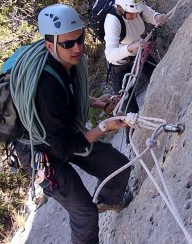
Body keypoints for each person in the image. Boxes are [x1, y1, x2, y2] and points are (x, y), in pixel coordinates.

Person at [19, 4, 131, 243]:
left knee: (118, 166)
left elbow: (65, 95)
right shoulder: (43, 88)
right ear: (50, 45)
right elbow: (63, 147)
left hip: (61, 131)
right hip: (39, 150)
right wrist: (103, 128)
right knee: (84, 213)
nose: (77, 48)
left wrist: (94, 102)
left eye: (79, 39)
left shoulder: (60, 60)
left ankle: (110, 200)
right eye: (68, 44)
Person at [104, 0, 167, 142]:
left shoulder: (136, 7)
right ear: (121, 10)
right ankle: (133, 143)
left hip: (139, 53)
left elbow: (149, 13)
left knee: (161, 78)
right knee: (130, 112)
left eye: (137, 13)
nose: (136, 16)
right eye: (132, 14)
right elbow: (110, 54)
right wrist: (131, 47)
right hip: (120, 66)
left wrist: (157, 17)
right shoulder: (112, 20)